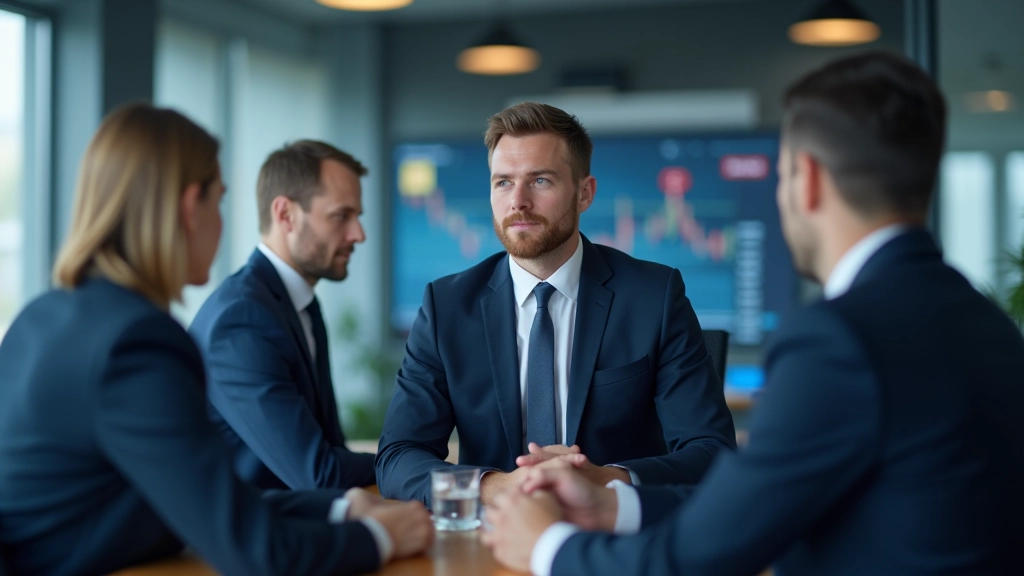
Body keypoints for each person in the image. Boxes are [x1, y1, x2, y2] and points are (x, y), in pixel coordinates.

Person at [480, 51, 1024, 576]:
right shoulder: (989, 324)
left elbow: (698, 557)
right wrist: (612, 505)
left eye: (781, 176)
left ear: (808, 179)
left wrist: (546, 545)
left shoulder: (838, 340)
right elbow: (762, 504)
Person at [0, 105, 433, 576]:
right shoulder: (138, 343)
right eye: (219, 200)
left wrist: (339, 508)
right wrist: (381, 537)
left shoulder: (41, 317)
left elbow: (198, 500)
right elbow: (254, 552)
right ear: (191, 207)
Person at [376, 102, 736, 506]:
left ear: (584, 193)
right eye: (503, 182)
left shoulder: (654, 296)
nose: (518, 201)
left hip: (614, 531)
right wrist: (497, 488)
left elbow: (711, 450)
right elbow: (398, 457)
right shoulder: (446, 307)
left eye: (540, 180)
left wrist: (606, 480)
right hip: (494, 530)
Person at [190, 140, 376, 491]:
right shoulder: (241, 320)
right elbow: (318, 474)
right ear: (285, 214)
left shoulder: (299, 304)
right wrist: (415, 467)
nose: (359, 234)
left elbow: (330, 450)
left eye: (358, 217)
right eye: (341, 216)